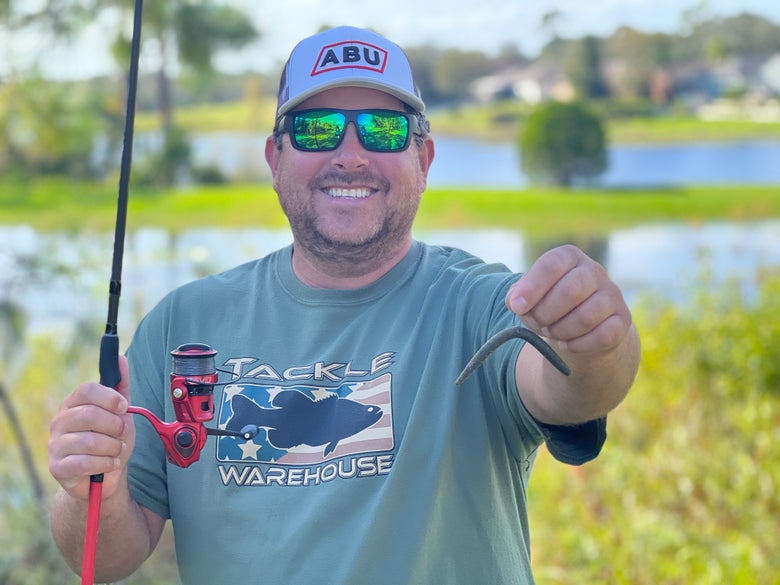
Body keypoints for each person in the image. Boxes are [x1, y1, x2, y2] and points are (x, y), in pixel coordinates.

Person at [49, 26, 640, 584]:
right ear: (274, 158)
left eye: (382, 130)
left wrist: (595, 343)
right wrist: (89, 484)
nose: (351, 154)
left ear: (424, 159)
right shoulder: (184, 326)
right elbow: (103, 558)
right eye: (316, 129)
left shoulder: (482, 302)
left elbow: (572, 388)